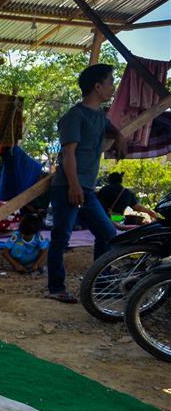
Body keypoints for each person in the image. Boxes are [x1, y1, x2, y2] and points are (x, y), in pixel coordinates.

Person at [46, 63, 127, 303]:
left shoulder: (100, 117)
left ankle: (101, 281)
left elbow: (111, 130)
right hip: (68, 186)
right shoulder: (74, 116)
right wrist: (74, 185)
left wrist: (120, 136)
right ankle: (56, 287)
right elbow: (68, 154)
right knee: (61, 237)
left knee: (107, 231)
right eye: (111, 82)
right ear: (97, 86)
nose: (113, 87)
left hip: (87, 188)